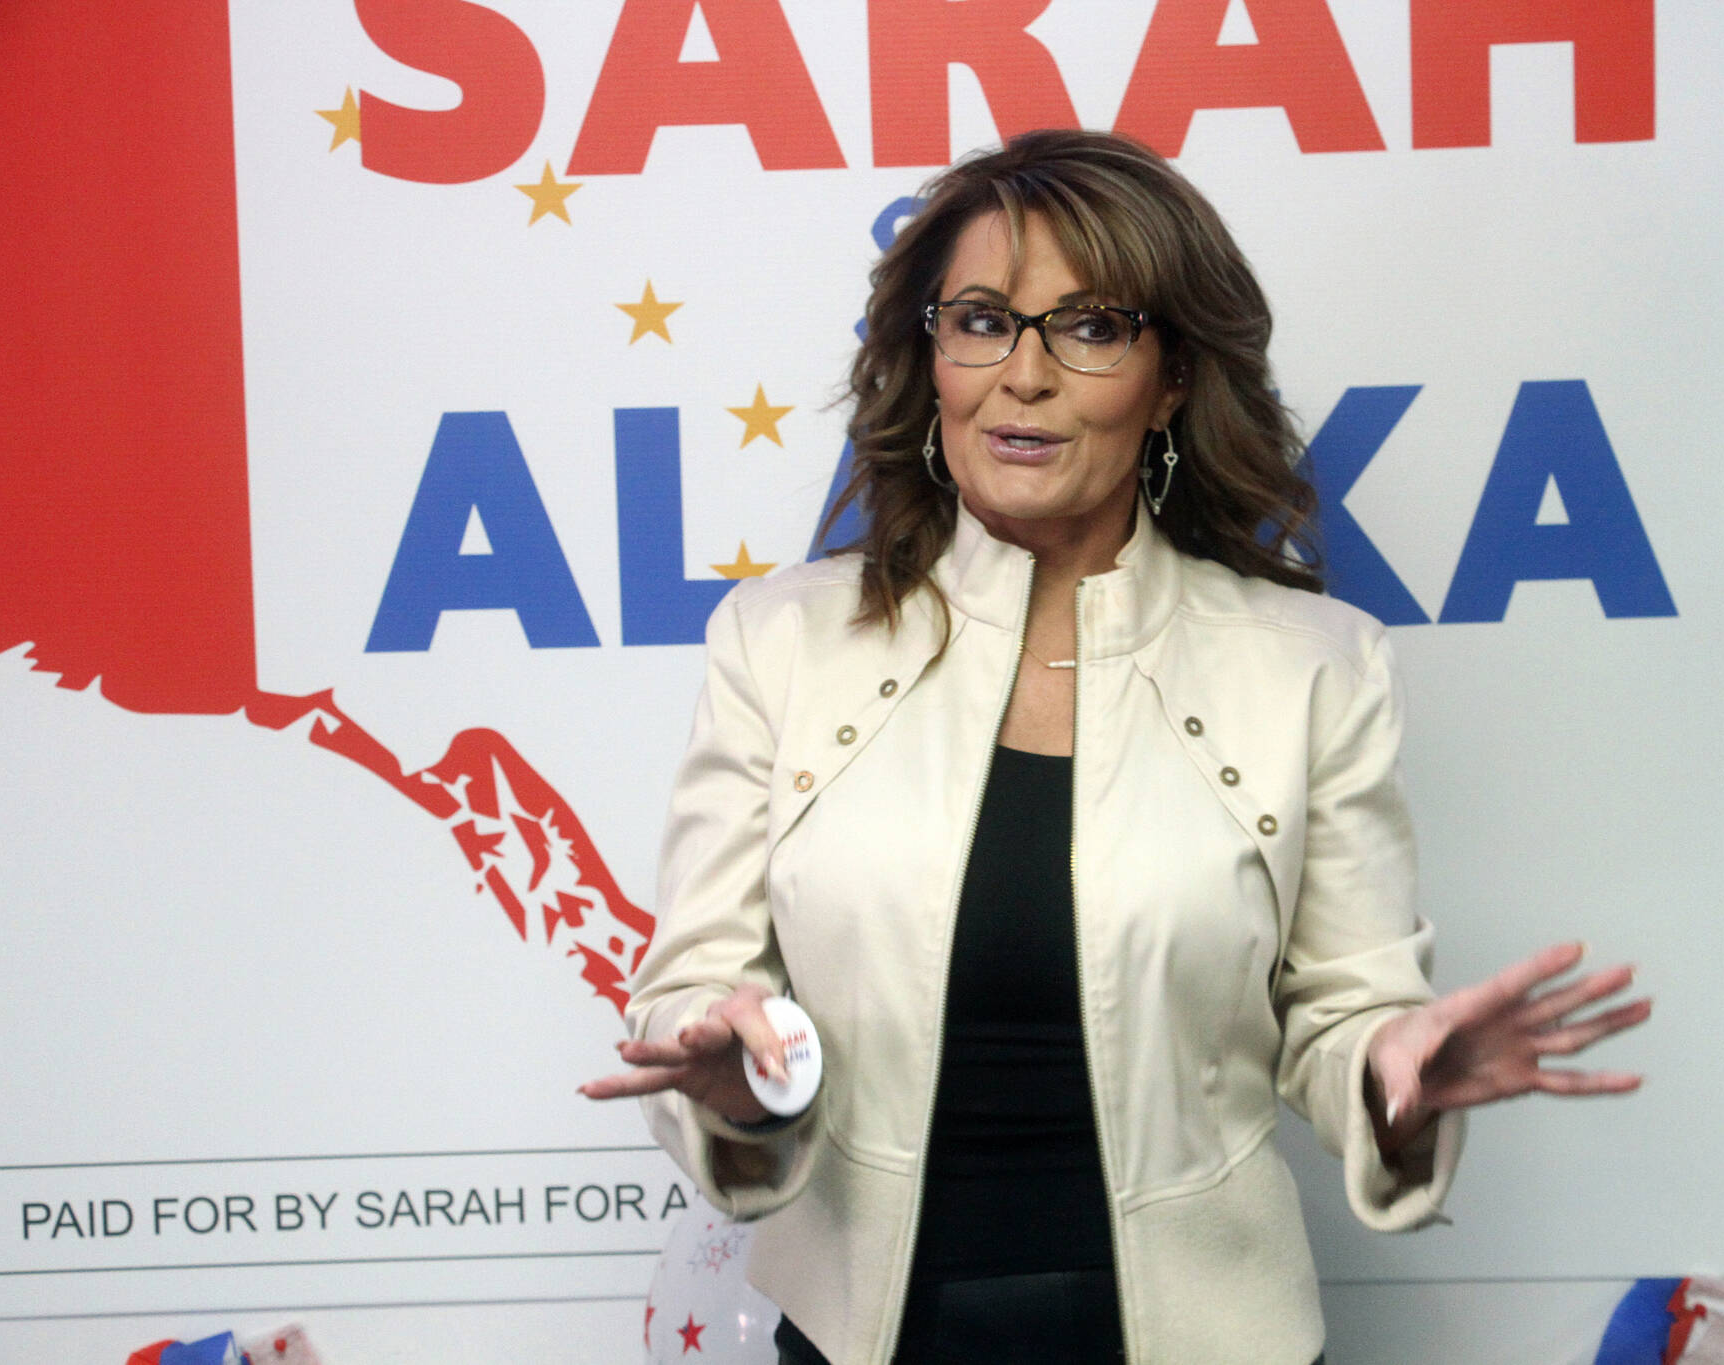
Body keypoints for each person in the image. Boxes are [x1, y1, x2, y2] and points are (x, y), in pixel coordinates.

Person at [582, 130, 1651, 1365]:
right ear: (927, 356)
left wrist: (1390, 1068)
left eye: (1087, 328)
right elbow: (691, 989)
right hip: (856, 1335)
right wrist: (735, 1075)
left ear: (1174, 374)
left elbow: (1348, 1012)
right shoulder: (777, 642)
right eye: (980, 320)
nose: (1021, 376)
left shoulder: (1315, 665)